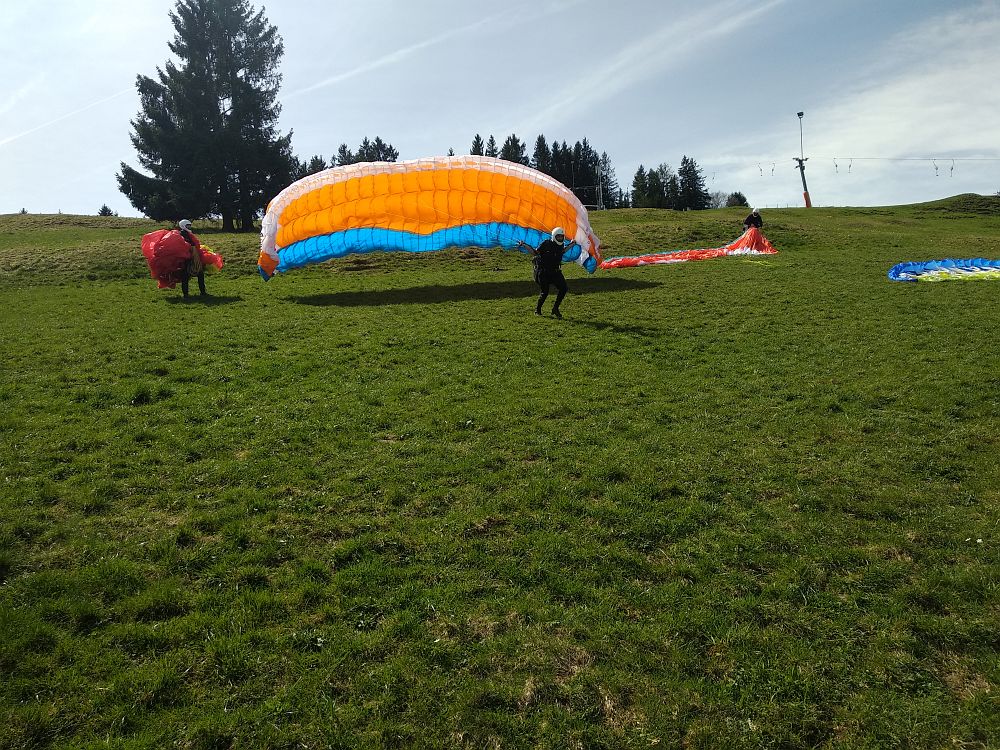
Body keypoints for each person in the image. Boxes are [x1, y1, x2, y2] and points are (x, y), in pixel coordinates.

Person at [518, 227, 569, 318]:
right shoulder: (546, 243)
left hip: (555, 272)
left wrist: (573, 244)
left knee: (564, 288)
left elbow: (563, 251)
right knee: (545, 292)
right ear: (554, 236)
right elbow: (535, 252)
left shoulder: (561, 245)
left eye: (561, 237)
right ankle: (537, 310)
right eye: (558, 236)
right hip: (543, 272)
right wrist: (524, 245)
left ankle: (555, 308)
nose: (560, 238)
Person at [177, 219, 207, 297]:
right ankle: (186, 294)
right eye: (187, 226)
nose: (189, 227)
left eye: (190, 226)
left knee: (200, 273)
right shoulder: (182, 234)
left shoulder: (188, 233)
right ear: (183, 226)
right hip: (187, 257)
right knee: (186, 275)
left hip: (193, 255)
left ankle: (202, 292)